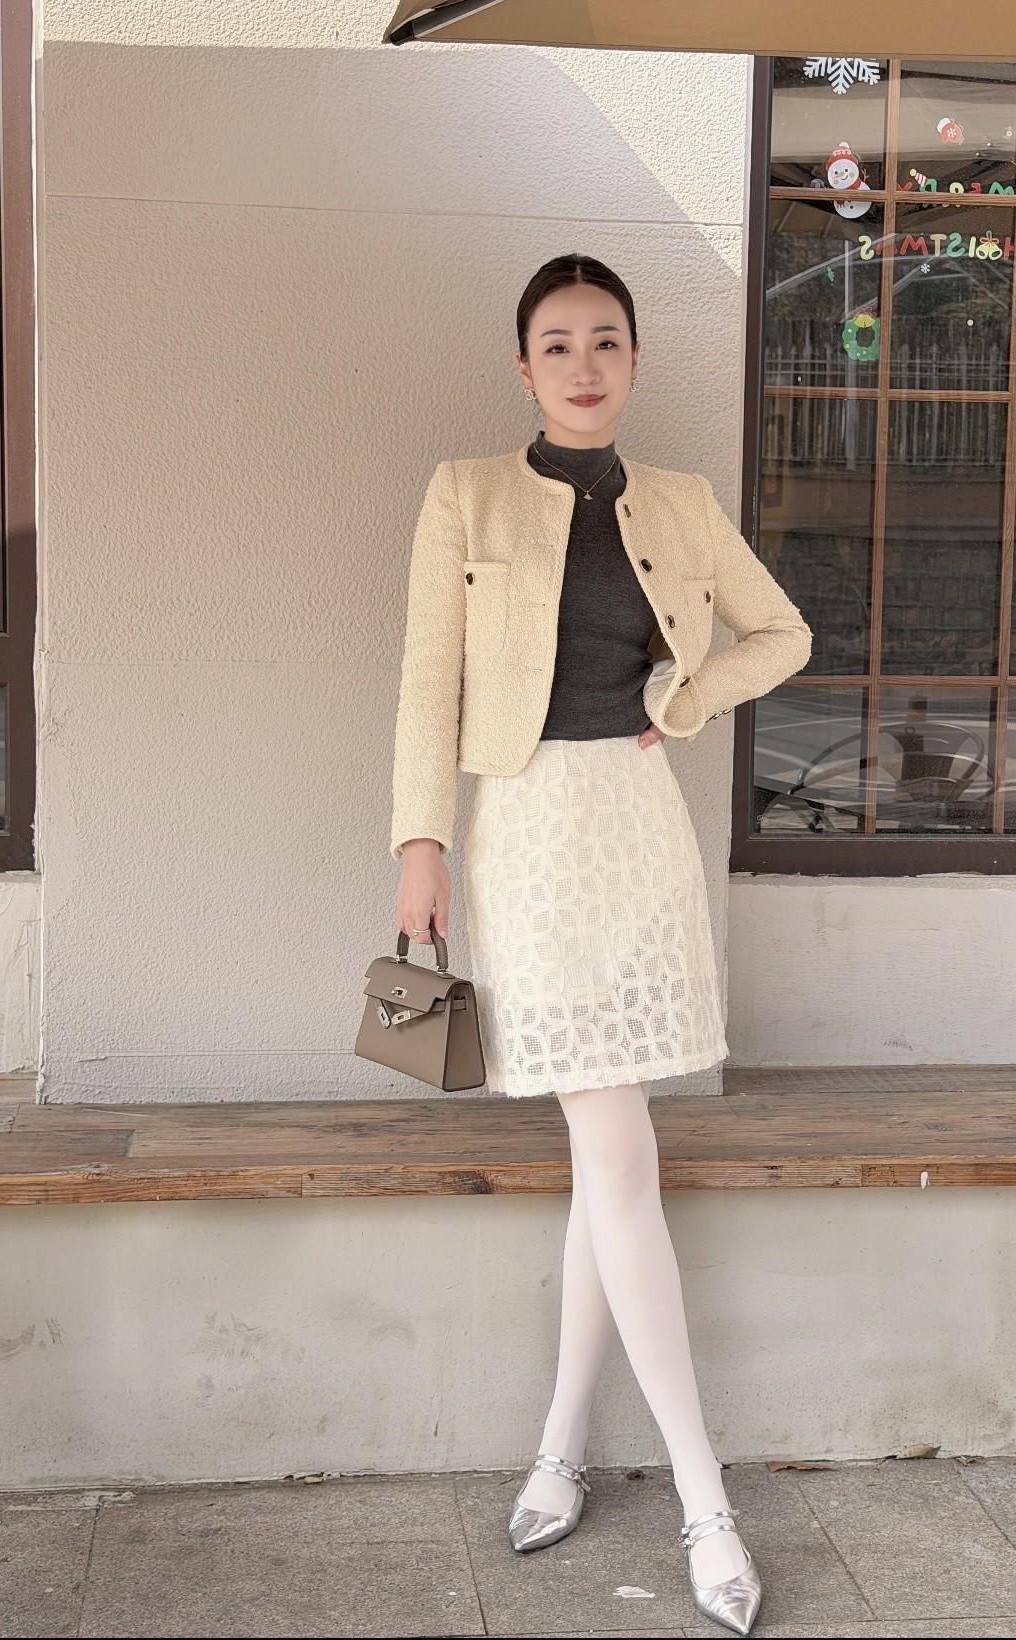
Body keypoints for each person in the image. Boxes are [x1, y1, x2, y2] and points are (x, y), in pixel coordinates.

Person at [388, 253, 812, 1637]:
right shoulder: (465, 493)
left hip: (637, 832)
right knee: (616, 1148)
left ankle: (561, 1450)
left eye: (607, 341)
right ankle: (702, 1495)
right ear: (523, 366)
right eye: (559, 343)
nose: (584, 365)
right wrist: (419, 841)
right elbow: (428, 679)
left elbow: (781, 633)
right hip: (526, 836)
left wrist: (683, 702)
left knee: (602, 1164)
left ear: (634, 360)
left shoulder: (679, 501)